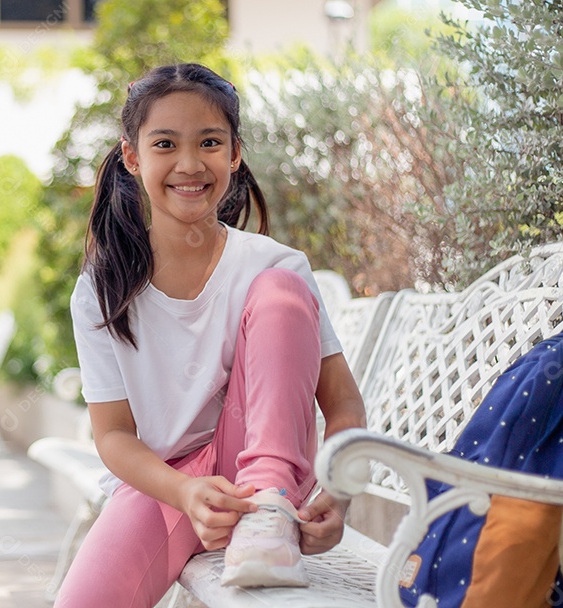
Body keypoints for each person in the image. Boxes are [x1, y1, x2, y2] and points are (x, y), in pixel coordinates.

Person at [56, 63, 367, 608]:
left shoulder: (275, 265)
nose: (190, 163)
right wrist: (183, 491)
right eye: (165, 144)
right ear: (132, 156)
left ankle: (269, 507)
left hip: (265, 481)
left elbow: (343, 404)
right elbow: (113, 435)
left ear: (235, 153)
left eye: (209, 142)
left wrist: (337, 494)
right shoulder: (101, 289)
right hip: (167, 485)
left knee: (280, 290)